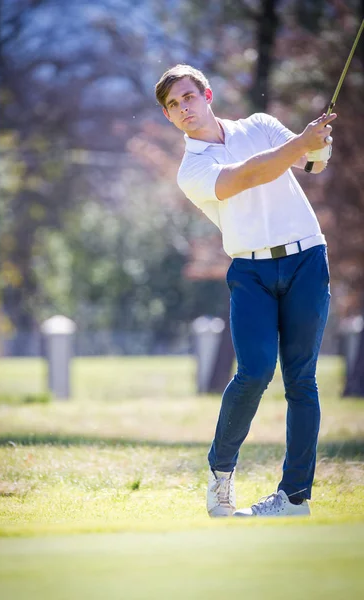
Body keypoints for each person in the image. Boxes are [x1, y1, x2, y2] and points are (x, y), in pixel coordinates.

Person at [155, 64, 336, 518]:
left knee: (302, 380)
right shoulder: (192, 168)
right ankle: (220, 474)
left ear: (207, 94)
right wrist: (300, 143)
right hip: (250, 271)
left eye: (188, 97)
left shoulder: (259, 126)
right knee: (254, 372)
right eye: (173, 106)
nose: (183, 109)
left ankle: (295, 497)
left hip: (307, 259)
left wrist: (318, 145)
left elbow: (311, 163)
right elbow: (247, 177)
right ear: (168, 117)